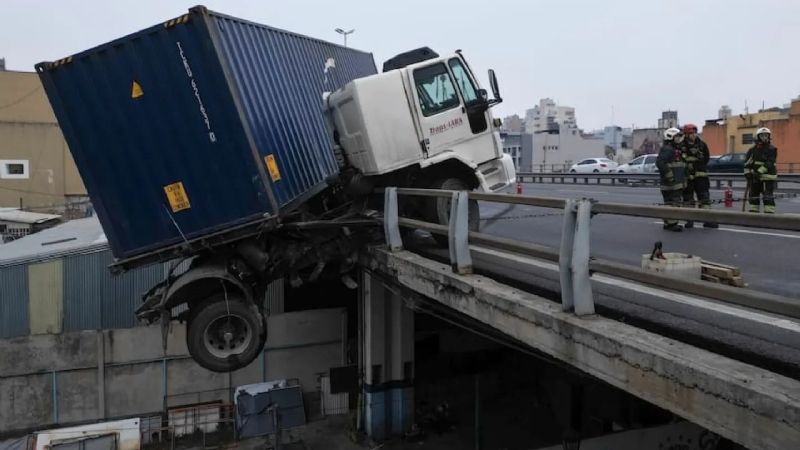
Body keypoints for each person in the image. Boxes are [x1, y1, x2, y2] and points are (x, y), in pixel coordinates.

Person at [680, 123, 717, 228]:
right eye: (691, 133)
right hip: (688, 177)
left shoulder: (702, 144)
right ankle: (690, 220)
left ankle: (707, 220)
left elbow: (706, 158)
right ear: (686, 134)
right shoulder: (682, 146)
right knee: (688, 198)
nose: (694, 135)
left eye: (695, 133)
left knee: (704, 198)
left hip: (701, 176)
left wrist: (699, 167)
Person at [656, 127, 687, 231]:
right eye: (677, 137)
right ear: (671, 137)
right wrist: (670, 176)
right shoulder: (668, 149)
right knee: (673, 203)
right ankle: (672, 224)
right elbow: (660, 163)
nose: (679, 139)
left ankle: (669, 223)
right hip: (671, 183)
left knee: (671, 203)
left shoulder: (674, 149)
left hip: (675, 183)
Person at [744, 127, 778, 213]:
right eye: (762, 135)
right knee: (753, 194)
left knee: (767, 195)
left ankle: (769, 213)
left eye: (766, 135)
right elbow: (747, 163)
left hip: (768, 177)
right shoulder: (752, 149)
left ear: (769, 136)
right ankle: (754, 212)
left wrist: (759, 171)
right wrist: (747, 173)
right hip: (755, 177)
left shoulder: (772, 149)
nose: (764, 137)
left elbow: (770, 162)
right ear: (758, 137)